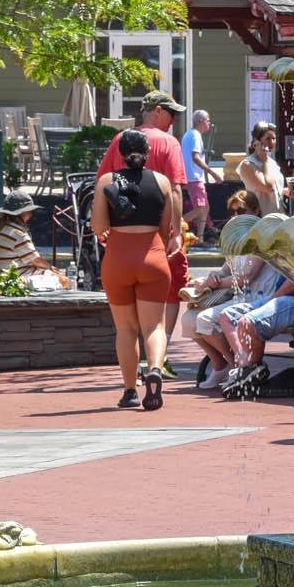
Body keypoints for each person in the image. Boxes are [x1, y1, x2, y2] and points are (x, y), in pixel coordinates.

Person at [96, 90, 189, 367]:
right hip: (155, 241)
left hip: (120, 245)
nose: (174, 120)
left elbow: (103, 183)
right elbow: (174, 189)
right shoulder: (169, 142)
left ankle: (130, 381)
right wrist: (176, 232)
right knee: (165, 302)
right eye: (171, 113)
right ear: (157, 111)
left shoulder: (119, 140)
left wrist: (104, 231)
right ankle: (161, 359)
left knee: (125, 325)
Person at [218, 187, 294, 396]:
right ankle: (249, 371)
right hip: (285, 299)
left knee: (248, 322)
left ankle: (250, 374)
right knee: (228, 315)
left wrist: (273, 298)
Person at [93, 127, 180, 410]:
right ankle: (154, 368)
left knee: (126, 328)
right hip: (153, 255)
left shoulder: (107, 180)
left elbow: (98, 226)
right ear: (148, 152)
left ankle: (130, 391)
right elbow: (167, 228)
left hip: (118, 257)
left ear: (120, 153)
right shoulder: (163, 182)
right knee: (153, 325)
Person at [184, 193, 270, 388]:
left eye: (240, 211)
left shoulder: (261, 239)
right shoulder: (237, 238)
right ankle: (220, 364)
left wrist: (217, 284)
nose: (235, 216)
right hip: (240, 297)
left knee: (204, 319)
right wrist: (214, 276)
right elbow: (226, 269)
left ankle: (236, 367)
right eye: (232, 212)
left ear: (255, 211)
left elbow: (247, 277)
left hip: (258, 297)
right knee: (188, 320)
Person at [0, 191, 67, 289]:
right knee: (63, 280)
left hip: (0, 276)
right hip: (17, 277)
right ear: (22, 213)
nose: (31, 215)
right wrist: (50, 267)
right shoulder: (18, 234)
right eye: (29, 211)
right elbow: (35, 260)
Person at [238, 120, 284, 217]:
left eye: (273, 138)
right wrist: (264, 160)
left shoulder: (272, 162)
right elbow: (268, 188)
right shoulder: (248, 165)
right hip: (261, 220)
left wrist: (286, 191)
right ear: (256, 141)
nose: (271, 142)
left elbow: (273, 189)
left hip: (278, 217)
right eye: (267, 138)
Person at [182, 110, 214, 243]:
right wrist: (212, 172)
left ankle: (200, 239)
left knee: (205, 207)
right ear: (201, 121)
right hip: (194, 177)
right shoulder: (195, 136)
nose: (209, 123)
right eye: (208, 120)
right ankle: (176, 225)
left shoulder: (189, 134)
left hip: (192, 176)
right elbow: (195, 157)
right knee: (200, 208)